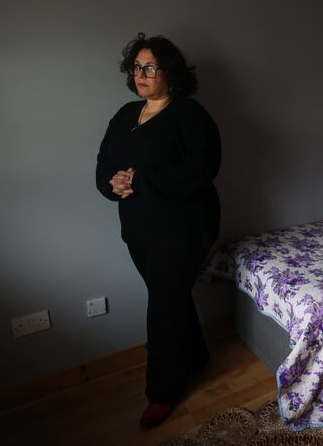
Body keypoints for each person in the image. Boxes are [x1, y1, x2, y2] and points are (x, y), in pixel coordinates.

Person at [96, 33, 221, 429]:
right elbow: (104, 161)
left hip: (183, 228)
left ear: (171, 73)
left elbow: (201, 169)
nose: (142, 74)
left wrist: (140, 181)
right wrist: (112, 184)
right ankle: (196, 357)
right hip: (139, 228)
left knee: (163, 305)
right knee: (169, 296)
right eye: (137, 67)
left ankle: (163, 391)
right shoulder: (125, 114)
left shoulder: (190, 114)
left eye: (150, 67)